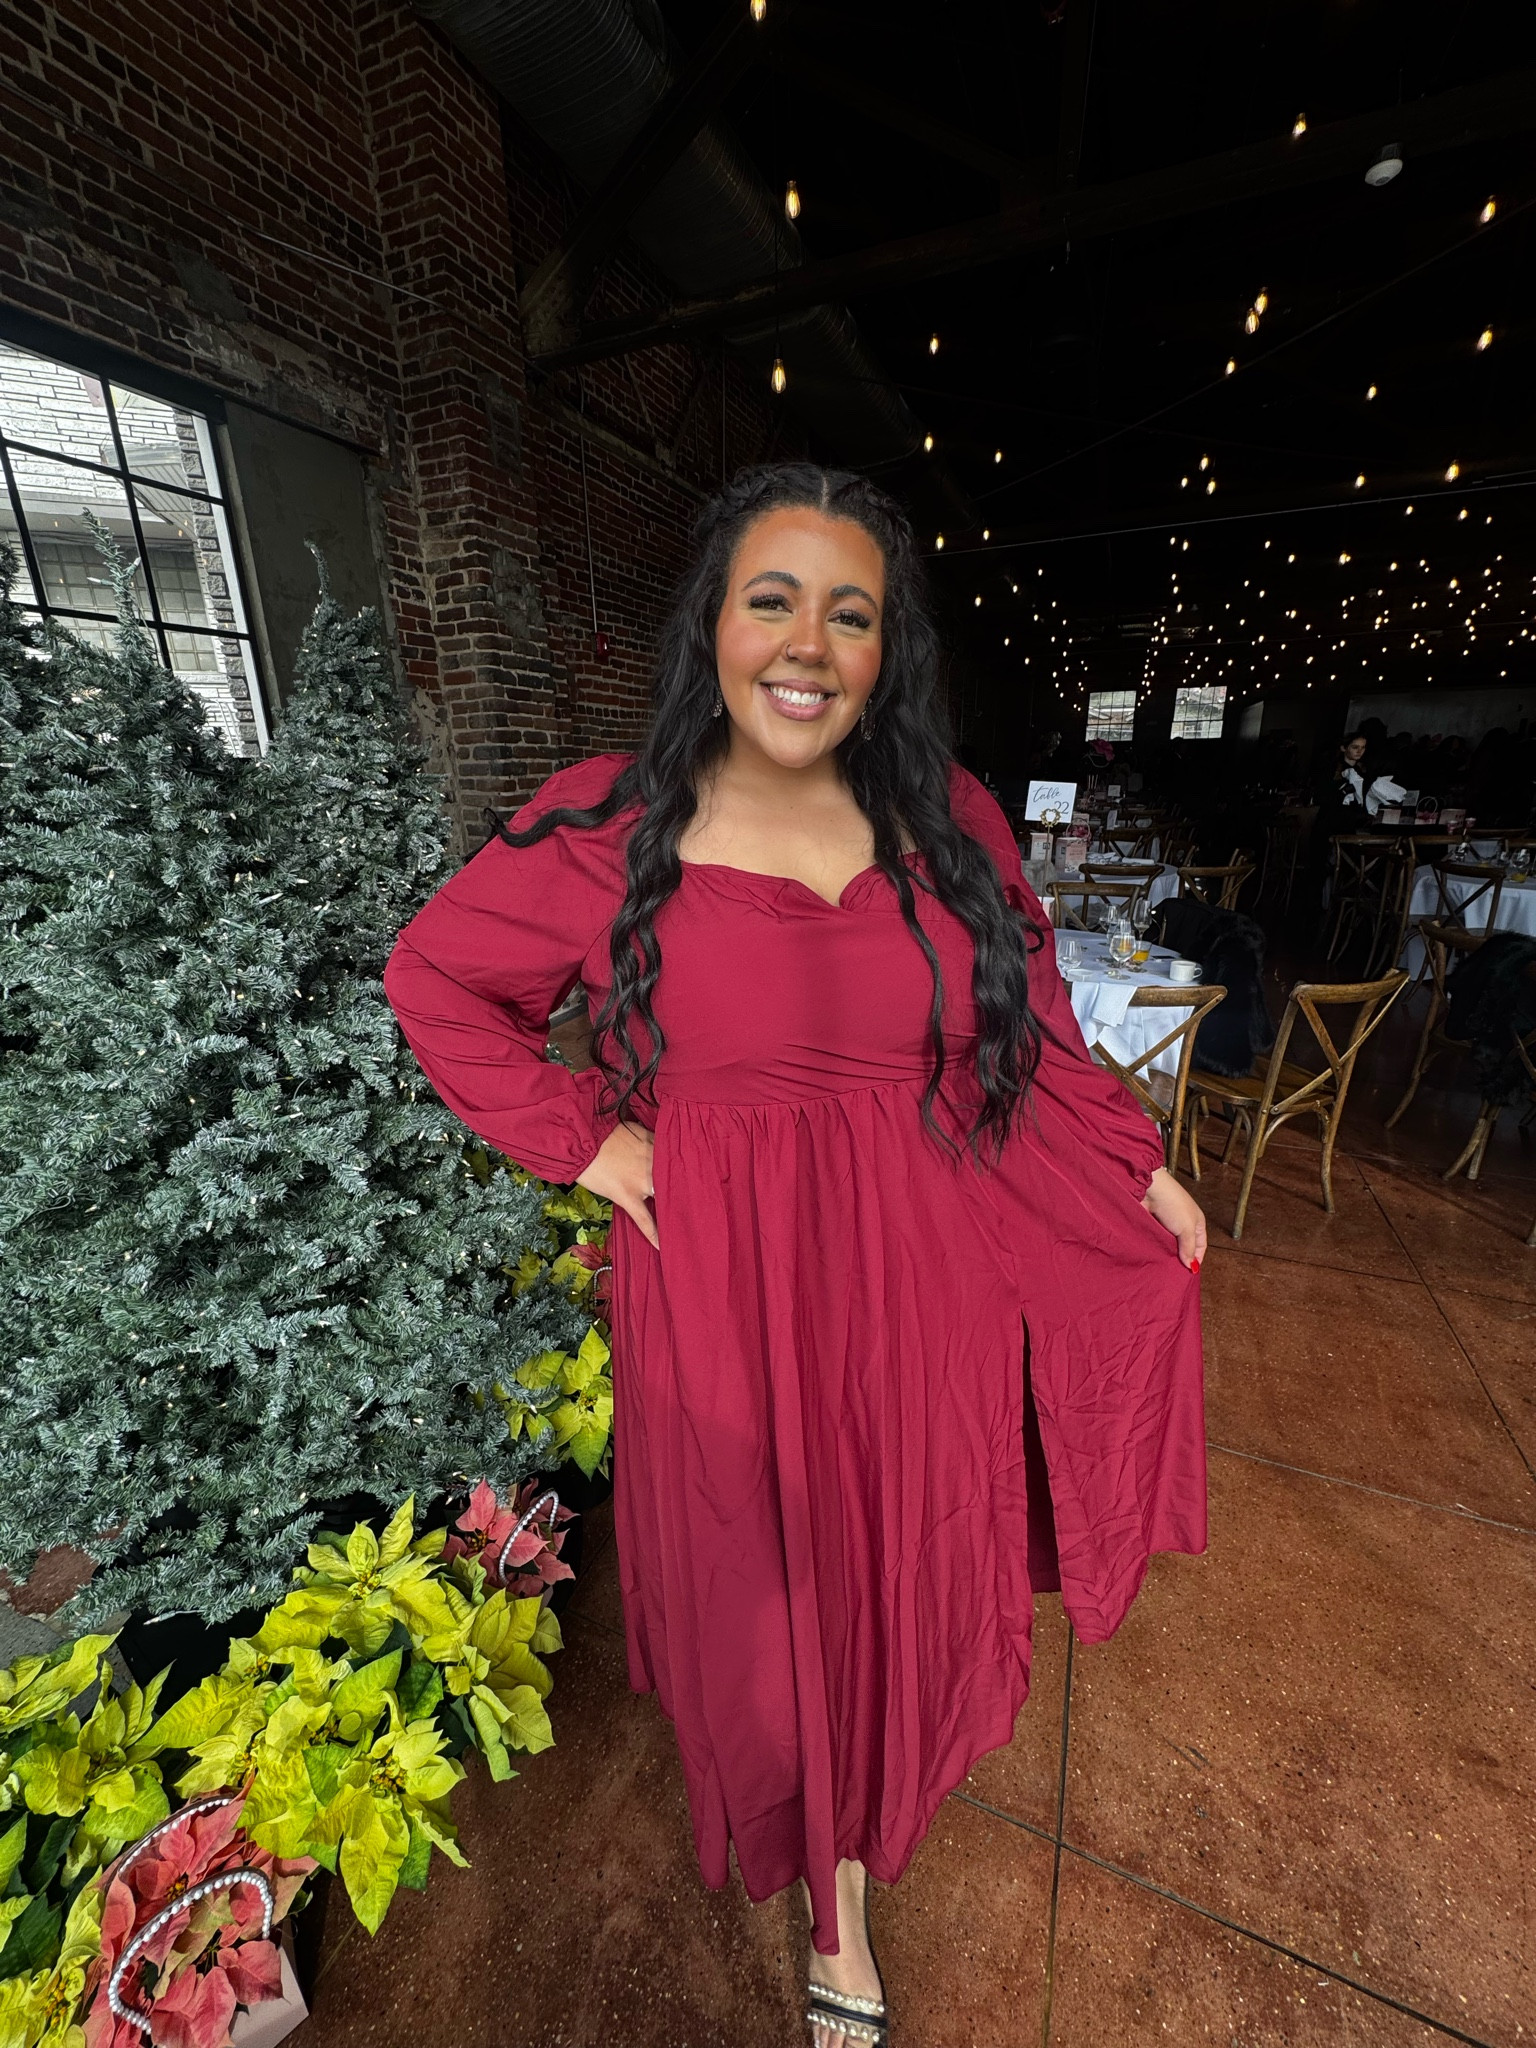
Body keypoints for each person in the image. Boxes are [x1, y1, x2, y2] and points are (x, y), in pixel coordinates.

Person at [385, 465, 1207, 2048]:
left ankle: (854, 1835)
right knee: (774, 1584)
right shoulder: (611, 822)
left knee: (903, 1547)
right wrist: (593, 1139)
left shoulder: (947, 814)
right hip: (732, 1281)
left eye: (852, 611)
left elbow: (1029, 1023)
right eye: (775, 598)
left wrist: (1140, 1167)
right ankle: (830, 1907)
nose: (809, 643)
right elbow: (434, 982)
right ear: (714, 619)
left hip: (931, 1267)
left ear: (887, 649)